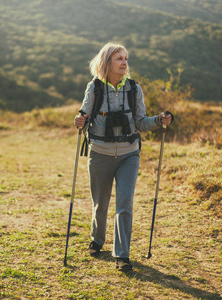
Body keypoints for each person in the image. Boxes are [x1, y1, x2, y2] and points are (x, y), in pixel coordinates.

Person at [74, 42, 173, 272]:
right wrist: (79, 121)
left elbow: (140, 122)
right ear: (107, 62)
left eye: (126, 58)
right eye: (119, 58)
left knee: (125, 204)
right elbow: (84, 116)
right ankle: (97, 240)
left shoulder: (134, 89)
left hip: (129, 155)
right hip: (100, 154)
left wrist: (159, 120)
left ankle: (122, 255)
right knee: (101, 203)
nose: (124, 62)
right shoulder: (95, 88)